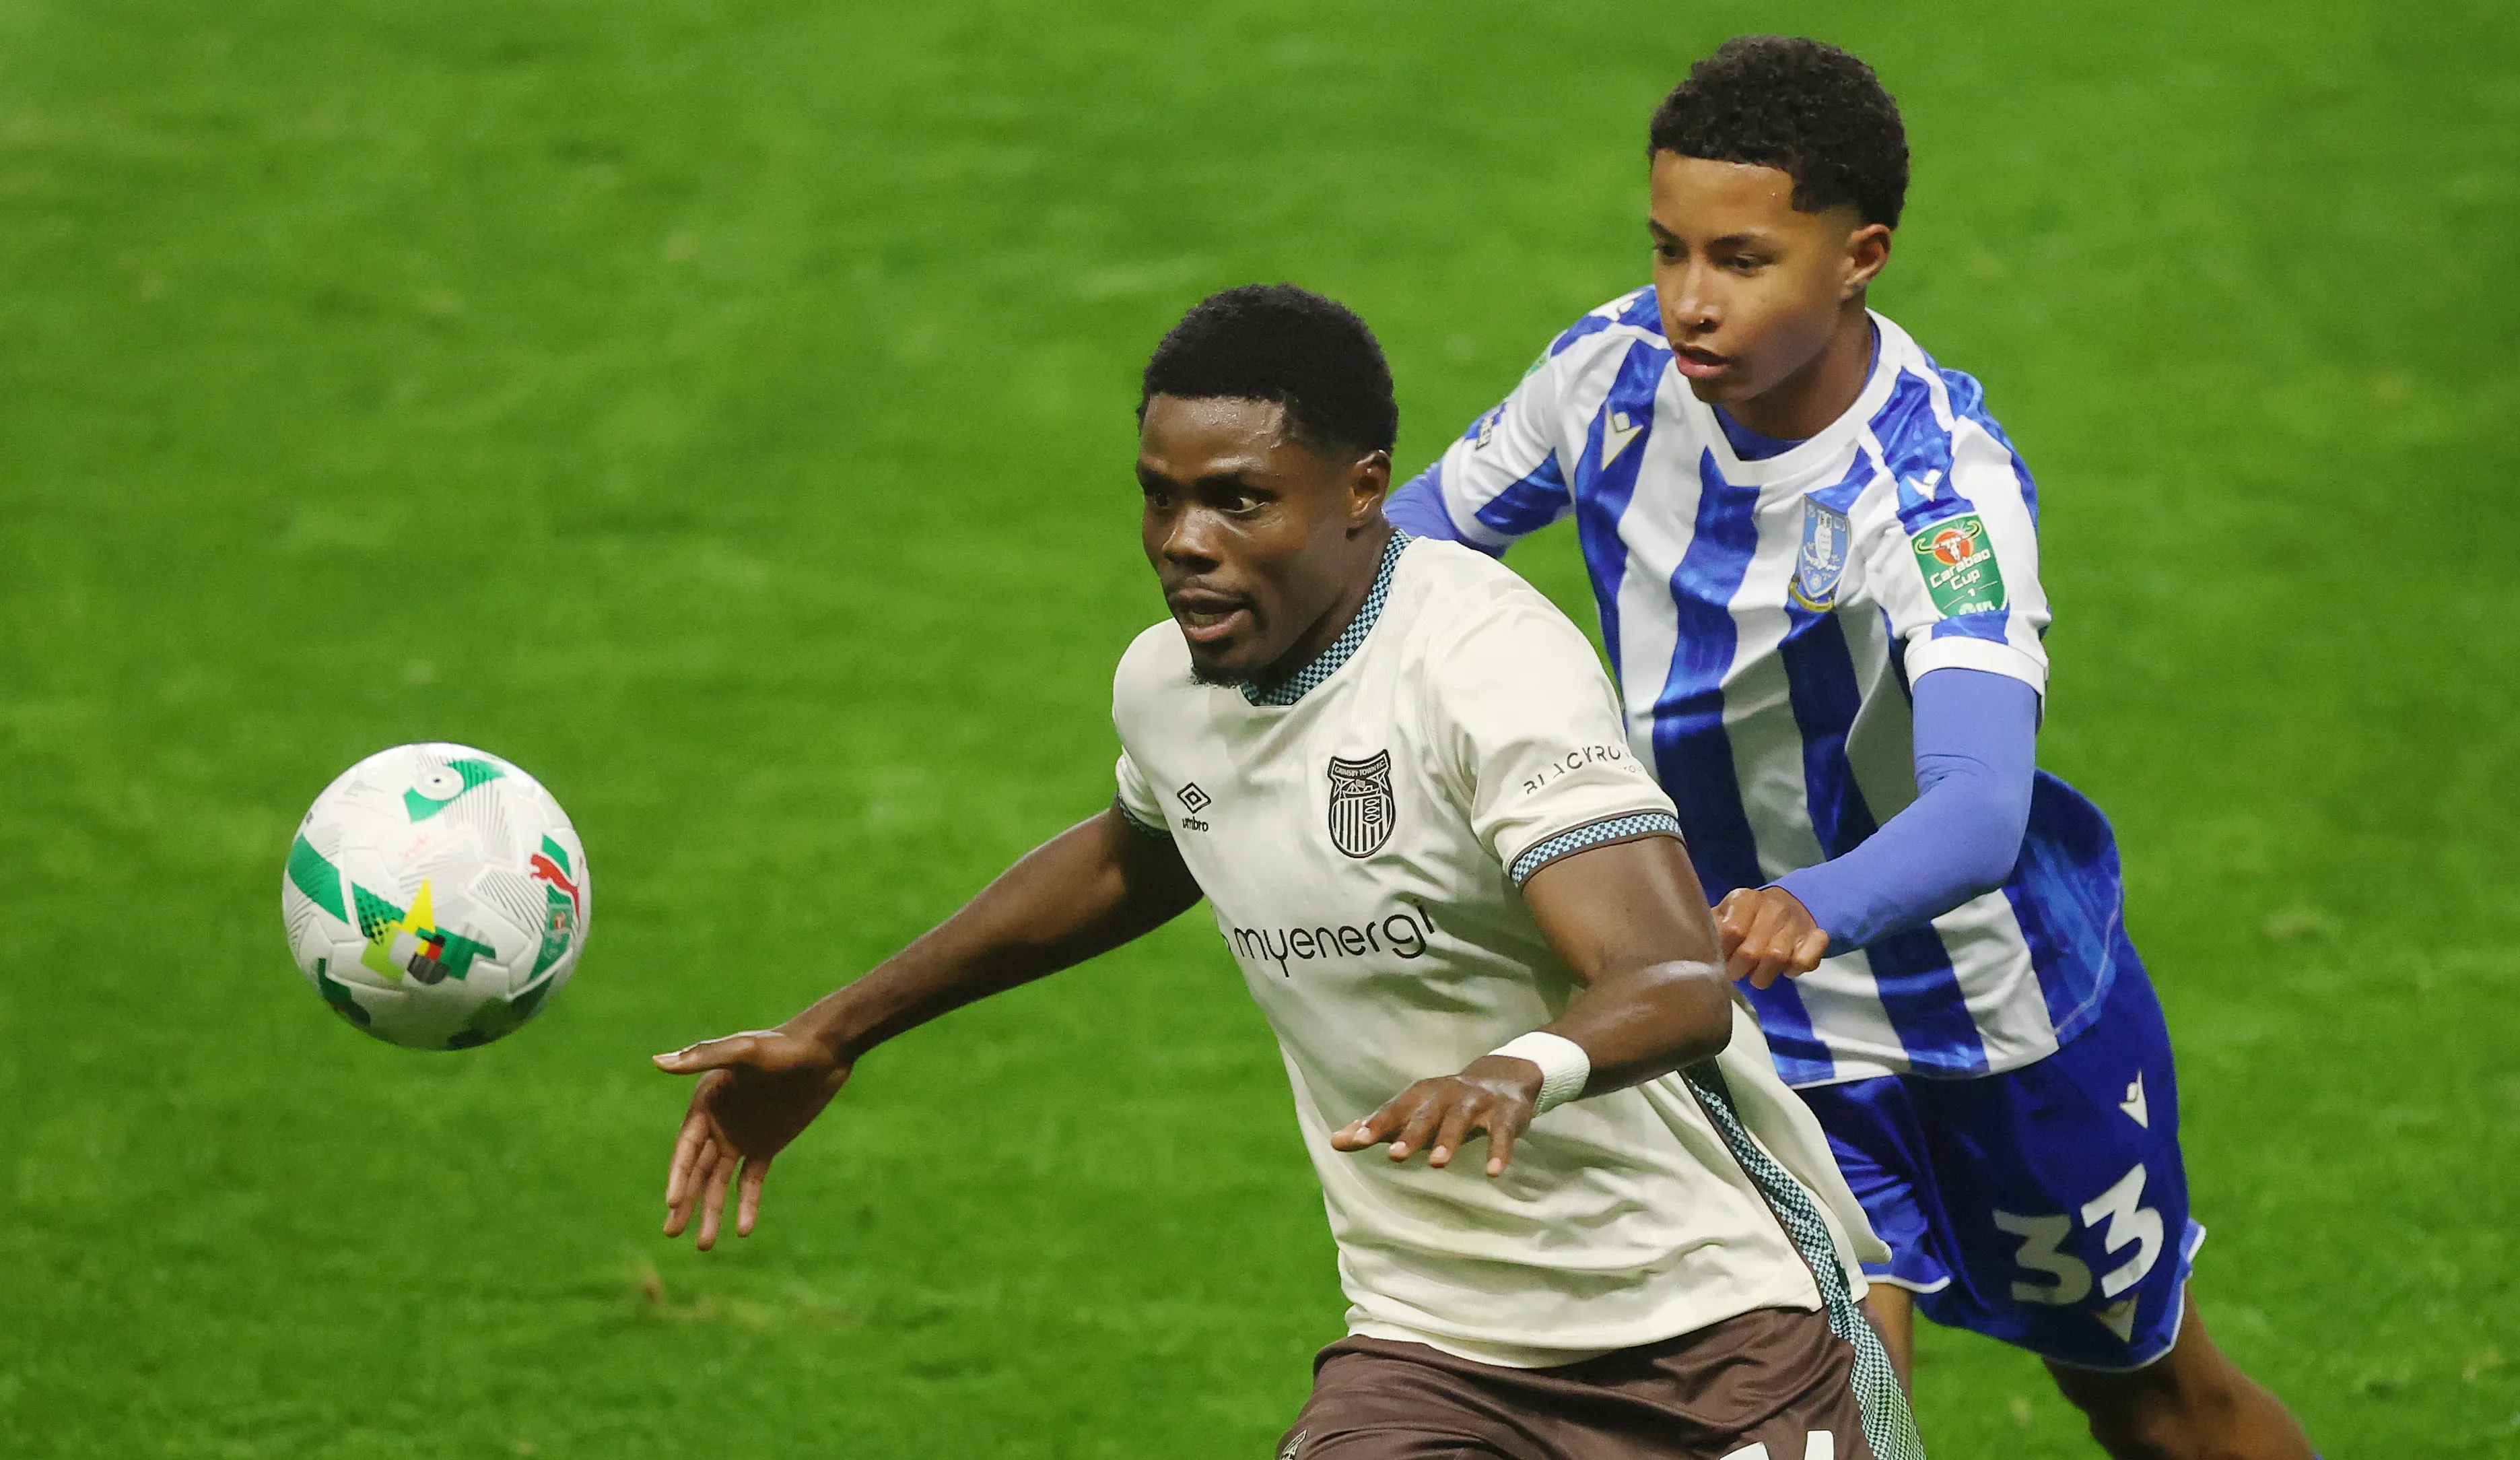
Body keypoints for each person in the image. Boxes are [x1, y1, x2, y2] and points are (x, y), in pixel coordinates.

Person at [655, 284, 1924, 1460]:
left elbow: (1675, 979)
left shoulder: (1480, 665)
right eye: (1160, 498)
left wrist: (1511, 1072)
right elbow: (1136, 855)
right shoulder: (1168, 686)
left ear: (1362, 487)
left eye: (1238, 501)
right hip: (1435, 1343)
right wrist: (837, 1031)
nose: (1184, 543)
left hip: (1711, 1325)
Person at [1382, 35, 2318, 1460]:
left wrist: (1810, 901)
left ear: (1858, 257)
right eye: (1668, 249)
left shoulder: (1936, 491)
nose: (1688, 300)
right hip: (1754, 1014)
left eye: (1741, 260)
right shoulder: (1606, 380)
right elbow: (1411, 554)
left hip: (1992, 1016)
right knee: (1832, 1418)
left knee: (2151, 1402)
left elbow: (1980, 803)